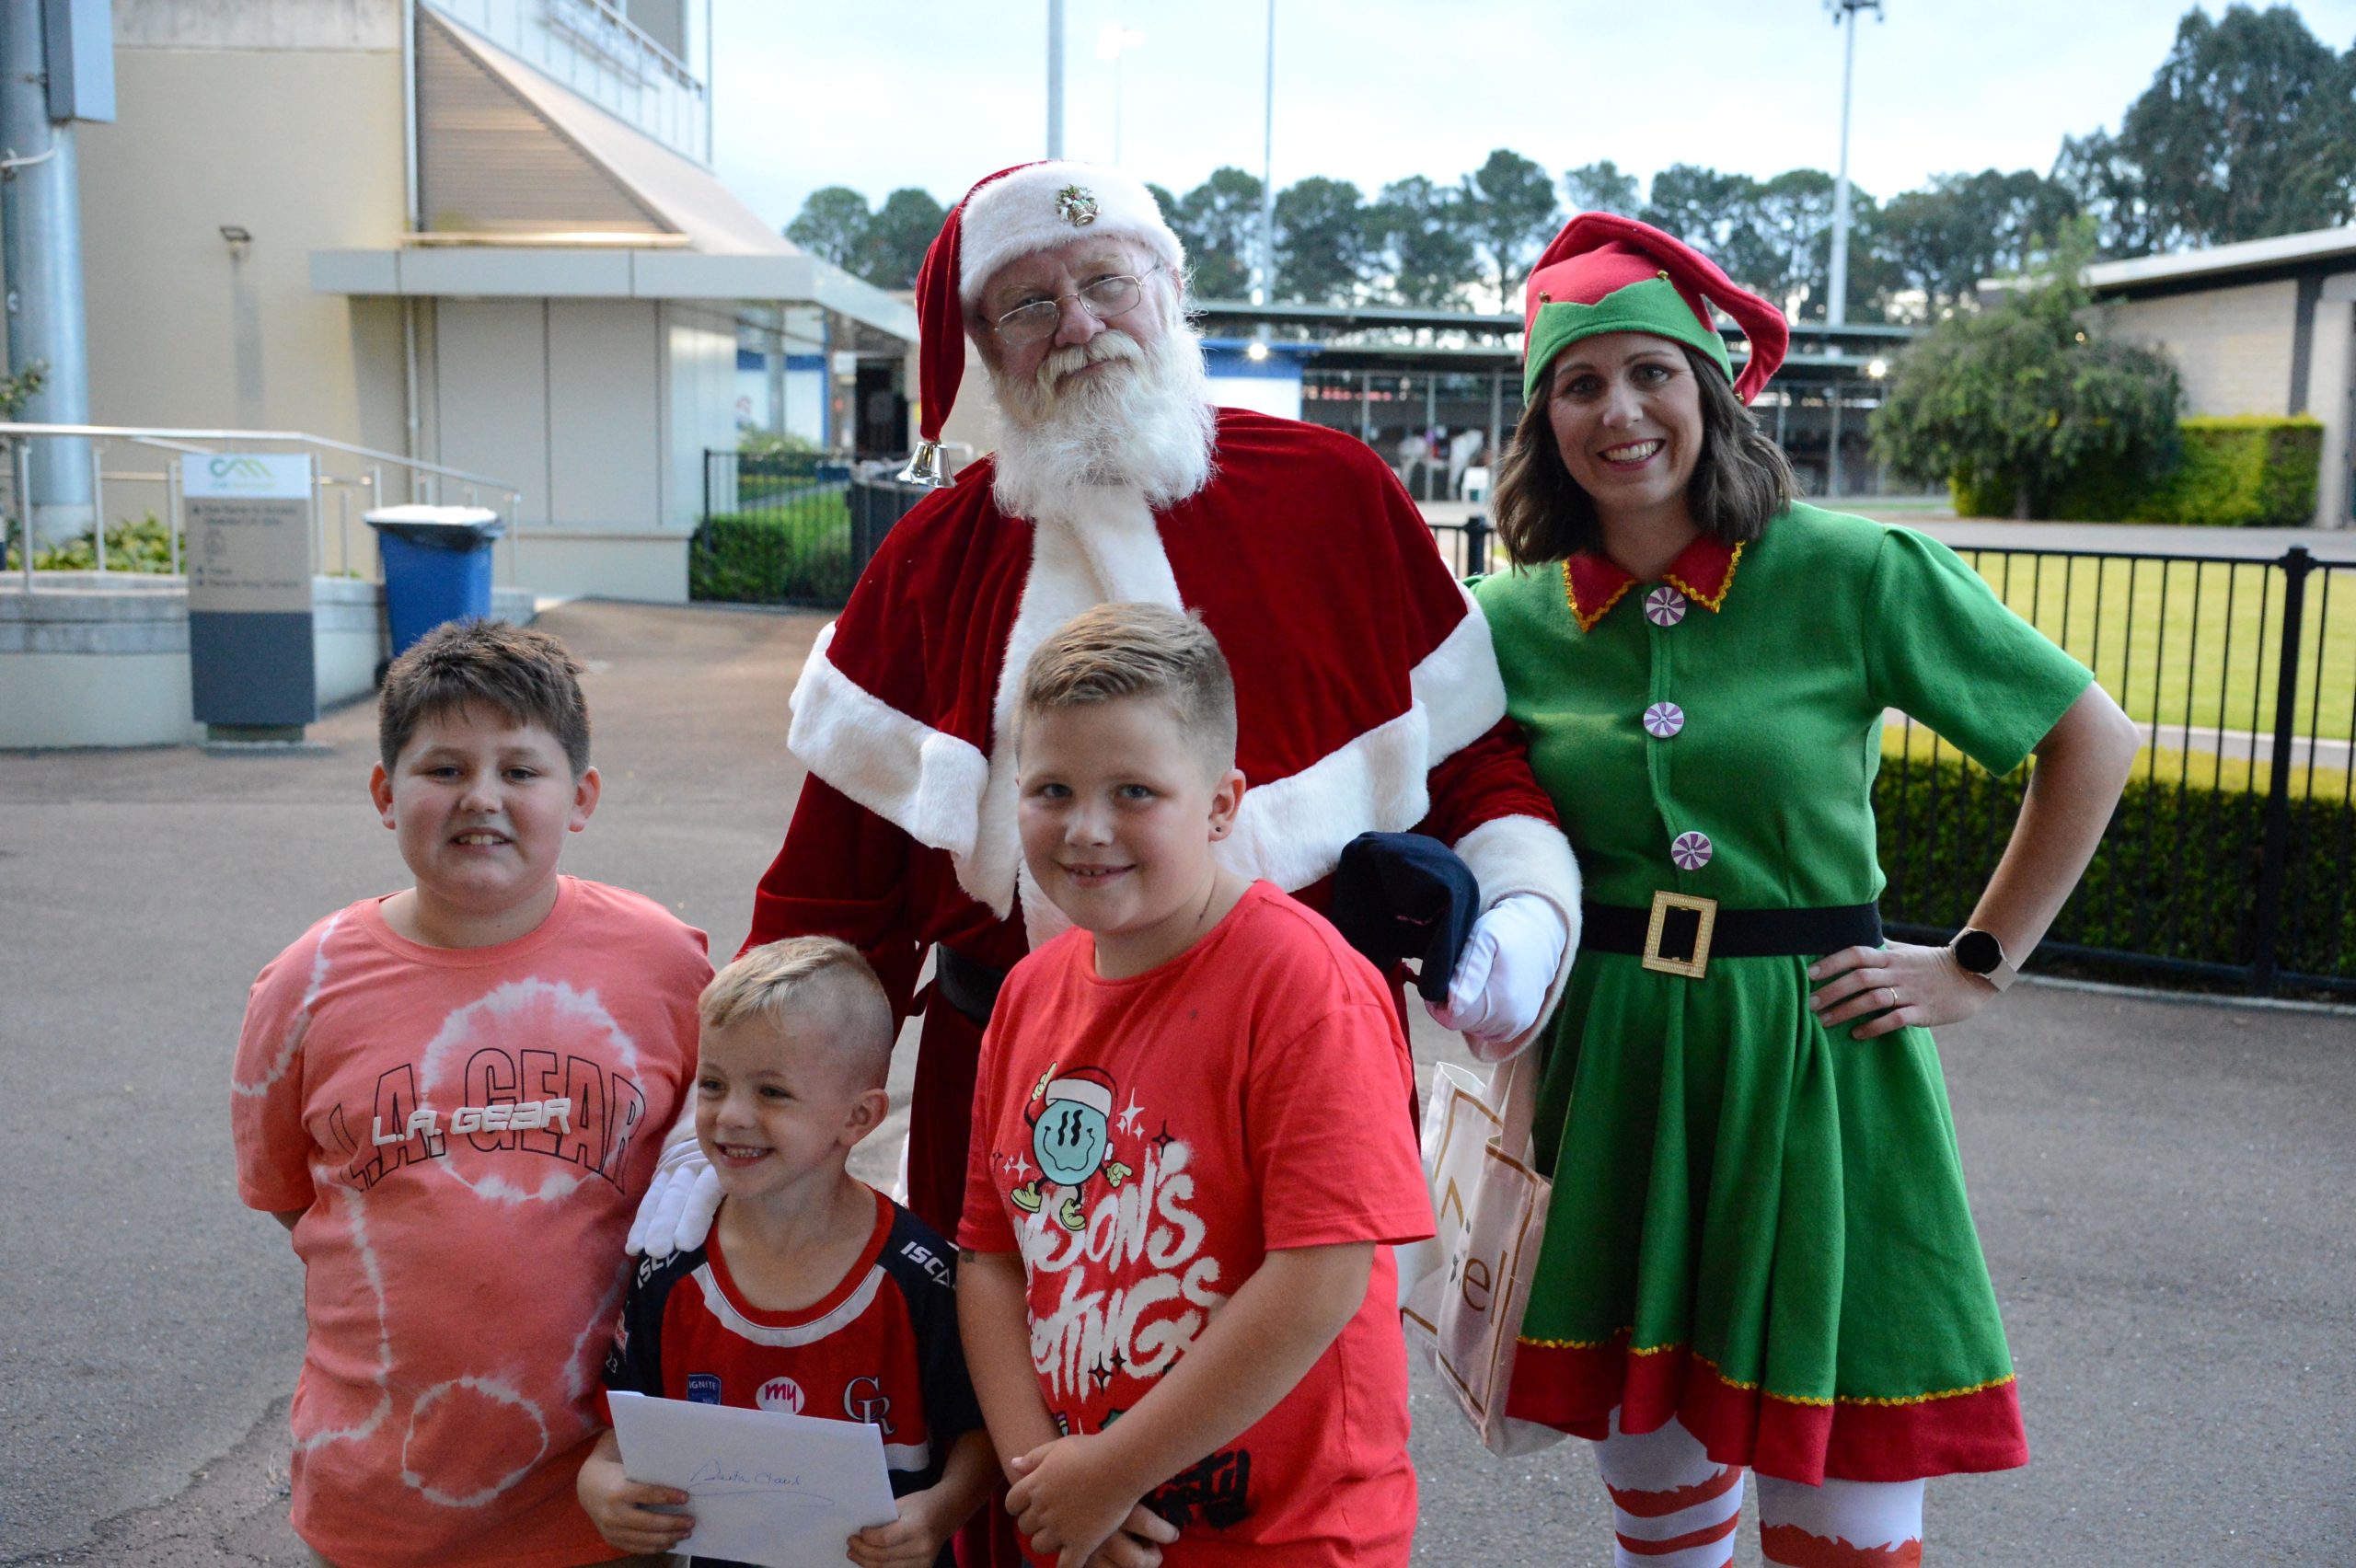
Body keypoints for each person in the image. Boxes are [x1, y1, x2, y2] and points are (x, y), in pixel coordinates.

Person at [631, 159, 1576, 1262]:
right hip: (1005, 1096)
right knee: (1006, 1415)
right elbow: (832, 898)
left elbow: (1473, 765)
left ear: (1169, 289)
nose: (1078, 325)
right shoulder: (930, 565)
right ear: (987, 351)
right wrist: (735, 1129)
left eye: (1105, 281)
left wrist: (1522, 912)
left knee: (1295, 1403)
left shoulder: (1336, 494)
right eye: (1028, 303)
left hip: (1296, 1081)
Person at [1469, 212, 2142, 1567]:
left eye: (1652, 371)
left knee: (1846, 1503)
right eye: (1580, 383)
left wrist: (1975, 963)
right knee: (1655, 1497)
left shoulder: (1850, 570)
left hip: (1819, 1068)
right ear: (1545, 419)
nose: (1621, 411)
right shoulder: (1507, 615)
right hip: (1617, 1076)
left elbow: (2092, 738)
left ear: (1711, 390)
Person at [958, 603, 1434, 1568]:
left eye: (1135, 791)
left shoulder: (1305, 989)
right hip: (1092, 1519)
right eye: (1051, 789)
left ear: (1221, 805)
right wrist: (1044, 1476)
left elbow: (1320, 1279)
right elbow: (991, 1256)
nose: (1087, 829)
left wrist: (1113, 1468)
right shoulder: (1026, 995)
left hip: (1291, 1535)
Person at [229, 619, 713, 1568]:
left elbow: (710, 1175)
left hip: (606, 1501)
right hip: (375, 1505)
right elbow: (292, 1194)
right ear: (383, 792)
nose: (481, 799)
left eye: (520, 772)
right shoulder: (303, 984)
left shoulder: (665, 964)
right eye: (443, 769)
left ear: (580, 798)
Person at [582, 938, 997, 1568]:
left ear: (858, 1118)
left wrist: (941, 1511)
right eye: (714, 1084)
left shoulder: (924, 1276)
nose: (731, 1117)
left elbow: (982, 1432)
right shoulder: (669, 1270)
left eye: (772, 1092)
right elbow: (621, 1437)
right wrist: (600, 1488)